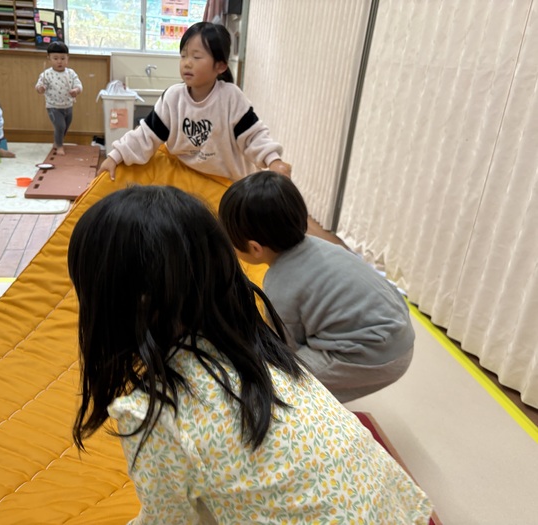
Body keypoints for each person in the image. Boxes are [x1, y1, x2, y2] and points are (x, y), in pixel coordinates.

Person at [67, 185, 432, 524]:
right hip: (395, 509)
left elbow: (167, 519)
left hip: (367, 355)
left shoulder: (153, 413)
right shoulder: (266, 351)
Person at [219, 171, 416, 403]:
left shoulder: (280, 284)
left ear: (254, 248)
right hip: (400, 335)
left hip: (378, 357)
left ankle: (317, 417)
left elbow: (286, 348)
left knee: (278, 380)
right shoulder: (322, 245)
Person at [97, 22, 291, 182]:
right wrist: (115, 156)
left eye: (196, 56)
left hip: (226, 182)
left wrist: (273, 160)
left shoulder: (231, 97)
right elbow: (146, 135)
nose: (187, 62)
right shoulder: (173, 97)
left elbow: (253, 136)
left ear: (220, 66)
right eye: (183, 56)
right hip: (184, 178)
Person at [35, 41, 83, 156]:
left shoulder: (71, 73)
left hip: (68, 105)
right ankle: (60, 146)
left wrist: (76, 90)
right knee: (60, 126)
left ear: (67, 58)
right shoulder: (47, 74)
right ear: (49, 58)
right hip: (53, 107)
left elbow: (79, 85)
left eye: (62, 58)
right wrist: (40, 89)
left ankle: (57, 141)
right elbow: (39, 87)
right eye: (55, 58)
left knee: (65, 127)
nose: (59, 61)